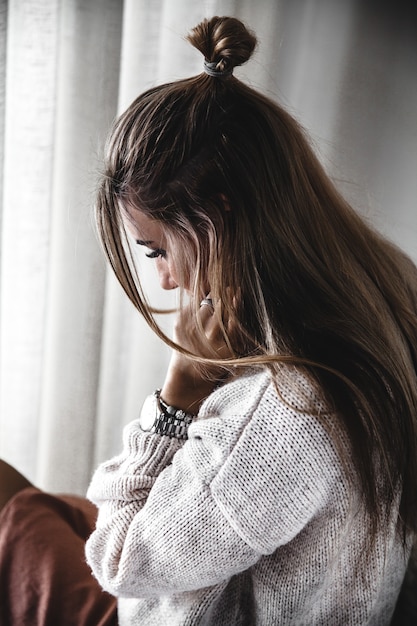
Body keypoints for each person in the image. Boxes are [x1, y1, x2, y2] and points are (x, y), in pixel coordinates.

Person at [1, 14, 416, 626]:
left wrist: (179, 396)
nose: (166, 280)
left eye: (158, 249)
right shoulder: (392, 283)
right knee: (50, 508)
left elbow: (117, 557)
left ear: (218, 216)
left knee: (7, 493)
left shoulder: (286, 412)